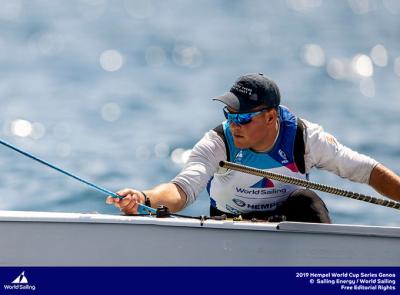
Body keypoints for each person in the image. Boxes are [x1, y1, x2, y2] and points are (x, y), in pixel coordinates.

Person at [106, 73, 400, 223]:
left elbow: (368, 172)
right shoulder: (217, 143)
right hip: (231, 226)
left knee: (307, 202)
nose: (235, 124)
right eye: (229, 115)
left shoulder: (305, 138)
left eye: (244, 117)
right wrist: (143, 197)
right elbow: (182, 190)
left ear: (271, 116)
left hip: (287, 228)